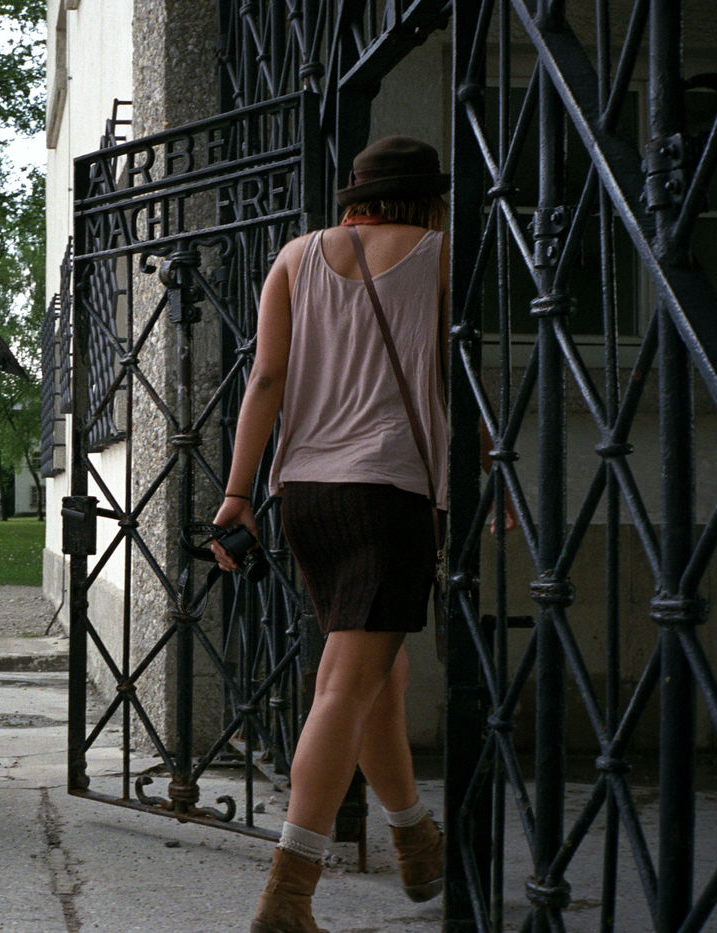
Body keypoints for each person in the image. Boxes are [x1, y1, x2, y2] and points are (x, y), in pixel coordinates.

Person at [211, 136, 450, 933]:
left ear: (358, 197)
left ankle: (415, 839)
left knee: (380, 675)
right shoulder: (440, 254)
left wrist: (238, 490)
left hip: (306, 493)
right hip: (389, 490)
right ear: (427, 198)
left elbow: (265, 378)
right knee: (346, 685)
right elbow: (456, 375)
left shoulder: (296, 256)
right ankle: (290, 892)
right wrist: (486, 468)